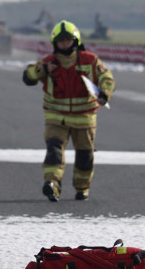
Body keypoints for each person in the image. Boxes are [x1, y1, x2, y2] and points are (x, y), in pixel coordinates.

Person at [21, 20, 115, 202]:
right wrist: (43, 70)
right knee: (54, 150)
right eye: (61, 41)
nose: (65, 44)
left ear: (76, 40)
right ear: (55, 43)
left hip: (84, 119)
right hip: (56, 118)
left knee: (85, 157)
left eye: (68, 40)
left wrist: (105, 92)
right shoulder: (48, 62)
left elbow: (106, 76)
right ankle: (52, 184)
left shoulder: (90, 60)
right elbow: (28, 76)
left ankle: (82, 188)